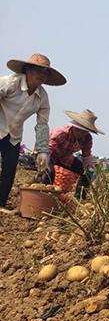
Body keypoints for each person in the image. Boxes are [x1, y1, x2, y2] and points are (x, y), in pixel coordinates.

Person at [0, 53, 66, 212]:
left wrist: (42, 152)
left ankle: (0, 203)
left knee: (9, 169)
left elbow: (42, 125)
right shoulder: (9, 83)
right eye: (38, 70)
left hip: (13, 136)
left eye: (45, 72)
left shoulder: (42, 98)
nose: (42, 75)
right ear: (28, 70)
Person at [44, 109, 104, 199]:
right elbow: (48, 149)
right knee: (49, 172)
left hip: (65, 157)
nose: (81, 133)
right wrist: (45, 162)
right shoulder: (60, 133)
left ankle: (80, 197)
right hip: (49, 154)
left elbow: (86, 156)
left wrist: (89, 168)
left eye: (84, 131)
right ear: (75, 126)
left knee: (87, 174)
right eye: (79, 130)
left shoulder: (87, 139)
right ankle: (43, 195)